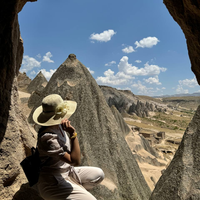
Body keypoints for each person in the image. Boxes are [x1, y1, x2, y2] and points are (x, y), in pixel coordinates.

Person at [32, 94, 104, 200]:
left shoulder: (59, 126)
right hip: (53, 181)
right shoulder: (48, 138)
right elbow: (75, 161)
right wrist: (73, 135)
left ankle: (75, 194)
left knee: (99, 174)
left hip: (68, 172)